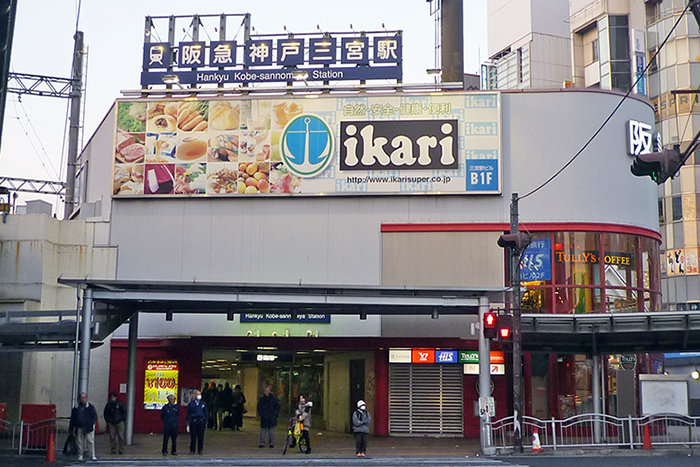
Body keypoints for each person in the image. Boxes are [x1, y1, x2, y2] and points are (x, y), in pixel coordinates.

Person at [69, 392, 98, 462]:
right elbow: (73, 418)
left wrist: (91, 423)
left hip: (88, 426)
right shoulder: (76, 408)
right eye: (82, 398)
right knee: (79, 441)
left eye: (84, 397)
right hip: (79, 426)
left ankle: (92, 455)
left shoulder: (90, 407)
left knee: (90, 441)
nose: (83, 399)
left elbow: (94, 417)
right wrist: (71, 428)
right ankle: (80, 455)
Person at [186, 389, 208, 455]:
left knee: (201, 437)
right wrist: (187, 424)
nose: (199, 396)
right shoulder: (191, 404)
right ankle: (192, 450)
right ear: (195, 395)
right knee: (193, 437)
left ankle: (200, 450)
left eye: (200, 394)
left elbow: (206, 413)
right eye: (198, 394)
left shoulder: (203, 403)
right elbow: (188, 414)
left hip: (201, 421)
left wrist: (206, 422)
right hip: (194, 421)